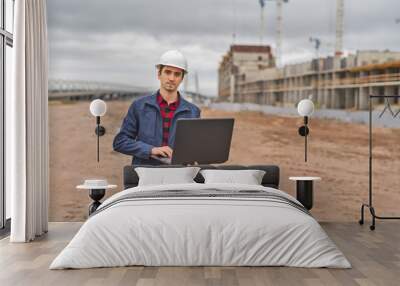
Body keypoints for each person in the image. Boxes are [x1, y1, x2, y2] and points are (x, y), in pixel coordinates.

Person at [113, 50, 201, 165]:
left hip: (178, 175)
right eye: (167, 72)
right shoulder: (139, 106)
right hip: (145, 174)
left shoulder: (193, 111)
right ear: (159, 74)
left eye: (177, 74)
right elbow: (120, 142)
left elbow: (195, 148)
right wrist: (151, 150)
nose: (172, 78)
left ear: (182, 78)